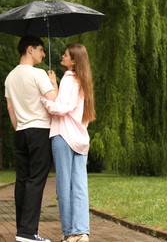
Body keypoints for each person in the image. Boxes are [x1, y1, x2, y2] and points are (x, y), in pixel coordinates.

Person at [5, 35, 58, 242]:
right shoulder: (38, 74)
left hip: (21, 132)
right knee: (36, 180)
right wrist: (53, 82)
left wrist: (20, 128)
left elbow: (10, 108)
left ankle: (23, 230)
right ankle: (28, 233)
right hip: (40, 131)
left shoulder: (9, 77)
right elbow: (53, 100)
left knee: (22, 180)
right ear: (30, 49)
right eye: (41, 49)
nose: (43, 54)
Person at [41, 43, 96, 242]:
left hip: (63, 136)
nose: (62, 57)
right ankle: (81, 232)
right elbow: (72, 107)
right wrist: (54, 84)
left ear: (73, 61)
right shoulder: (84, 82)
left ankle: (69, 233)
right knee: (80, 186)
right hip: (80, 139)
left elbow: (61, 107)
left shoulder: (69, 77)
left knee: (64, 186)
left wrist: (44, 100)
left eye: (65, 55)